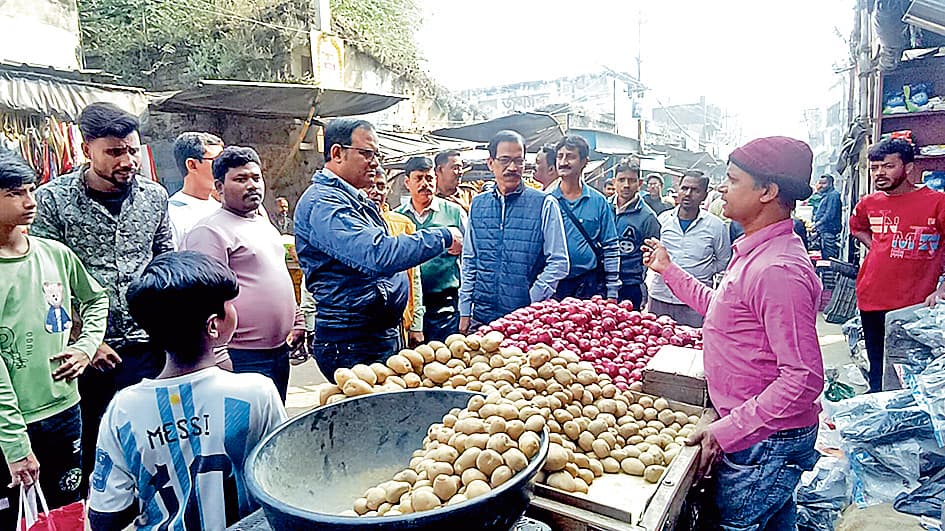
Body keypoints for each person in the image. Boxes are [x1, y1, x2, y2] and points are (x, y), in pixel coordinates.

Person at [644, 136, 823, 530]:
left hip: (765, 441)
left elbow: (804, 379)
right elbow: (723, 313)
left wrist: (727, 431)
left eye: (732, 179)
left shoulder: (778, 271)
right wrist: (669, 270)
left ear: (768, 191)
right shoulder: (753, 253)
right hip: (755, 432)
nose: (721, 188)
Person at [87, 251, 287, 531]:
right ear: (214, 325)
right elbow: (284, 483)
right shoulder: (256, 393)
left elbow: (106, 514)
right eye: (229, 303)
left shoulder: (124, 410)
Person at [31, 102, 174, 485]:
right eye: (114, 152)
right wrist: (85, 340)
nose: (127, 161)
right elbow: (45, 282)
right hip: (85, 358)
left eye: (132, 150)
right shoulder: (52, 201)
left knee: (154, 446)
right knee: (98, 457)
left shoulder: (154, 197)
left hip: (148, 346)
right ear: (85, 149)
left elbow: (165, 263)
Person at [295, 119, 462, 379]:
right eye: (366, 153)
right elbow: (378, 253)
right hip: (352, 341)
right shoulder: (324, 204)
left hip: (377, 334)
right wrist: (442, 236)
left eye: (377, 154)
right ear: (337, 153)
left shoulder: (353, 198)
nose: (375, 162)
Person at [0, 151, 108, 527]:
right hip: (10, 423)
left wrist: (85, 346)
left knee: (66, 510)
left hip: (64, 410)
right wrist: (14, 444)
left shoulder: (54, 254)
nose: (30, 202)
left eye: (31, 190)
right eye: (15, 193)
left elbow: (96, 299)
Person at [182, 147, 305, 400]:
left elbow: (279, 275)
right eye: (240, 179)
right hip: (240, 357)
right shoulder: (209, 231)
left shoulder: (262, 221)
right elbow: (203, 300)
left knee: (273, 426)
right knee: (245, 433)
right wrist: (218, 355)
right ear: (219, 186)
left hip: (279, 351)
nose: (252, 185)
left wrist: (297, 320)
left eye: (256, 178)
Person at [850, 139, 945, 393]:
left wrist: (942, 288)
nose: (879, 173)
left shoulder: (936, 202)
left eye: (888, 166)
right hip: (871, 298)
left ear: (909, 167)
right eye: (875, 167)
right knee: (878, 368)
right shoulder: (869, 204)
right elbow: (857, 228)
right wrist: (881, 247)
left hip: (916, 304)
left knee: (911, 374)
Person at [458, 130, 570, 332]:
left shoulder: (544, 204)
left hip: (525, 322)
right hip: (482, 317)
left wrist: (532, 298)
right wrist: (465, 310)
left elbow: (559, 262)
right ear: (490, 163)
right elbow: (469, 260)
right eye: (505, 160)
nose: (512, 167)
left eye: (519, 161)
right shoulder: (478, 204)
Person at [647, 170, 731, 327]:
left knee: (691, 345)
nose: (688, 194)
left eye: (695, 190)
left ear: (704, 195)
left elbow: (724, 261)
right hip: (660, 296)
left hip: (694, 303)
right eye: (684, 188)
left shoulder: (715, 226)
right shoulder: (662, 220)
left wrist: (703, 270)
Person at [396, 156, 466, 342]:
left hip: (445, 305)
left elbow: (469, 257)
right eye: (418, 178)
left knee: (446, 362)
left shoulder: (454, 213)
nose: (424, 184)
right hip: (408, 305)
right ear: (407, 182)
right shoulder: (397, 218)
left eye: (429, 178)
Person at [549, 135, 620, 299]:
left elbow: (611, 247)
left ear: (584, 162)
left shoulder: (598, 201)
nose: (563, 162)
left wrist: (612, 292)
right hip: (554, 286)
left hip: (589, 285)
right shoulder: (546, 200)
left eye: (570, 156)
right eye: (560, 156)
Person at [366, 167, 425, 347]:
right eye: (370, 186)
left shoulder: (402, 224)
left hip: (399, 321)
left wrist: (417, 324)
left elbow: (413, 277)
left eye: (381, 186)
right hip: (363, 324)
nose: (376, 192)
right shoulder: (351, 223)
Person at [612, 161, 660, 309]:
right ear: (614, 182)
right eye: (621, 180)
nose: (626, 185)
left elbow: (652, 257)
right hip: (602, 282)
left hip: (630, 286)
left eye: (631, 181)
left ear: (639, 183)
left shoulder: (648, 217)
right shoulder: (604, 208)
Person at [168, 132, 224, 248]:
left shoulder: (222, 207)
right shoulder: (173, 214)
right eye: (216, 161)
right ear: (192, 165)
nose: (223, 168)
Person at [813, 174, 842, 259]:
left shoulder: (833, 195)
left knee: (829, 257)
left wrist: (817, 224)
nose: (821, 186)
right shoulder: (827, 195)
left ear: (831, 184)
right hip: (824, 232)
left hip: (829, 232)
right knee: (825, 255)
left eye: (824, 183)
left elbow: (830, 214)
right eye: (820, 183)